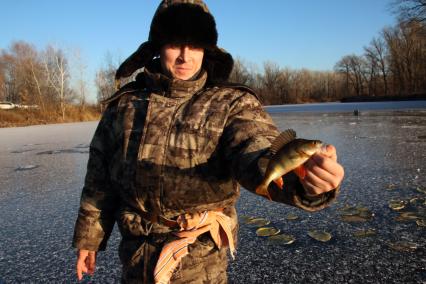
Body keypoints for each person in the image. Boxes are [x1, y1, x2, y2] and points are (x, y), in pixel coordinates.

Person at [72, 1, 345, 283]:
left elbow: (257, 148)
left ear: (207, 50)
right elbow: (99, 179)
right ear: (157, 46)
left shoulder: (231, 103)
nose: (184, 56)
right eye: (174, 43)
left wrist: (306, 183)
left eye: (195, 45)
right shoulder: (124, 106)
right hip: (134, 258)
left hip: (200, 262)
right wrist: (89, 239)